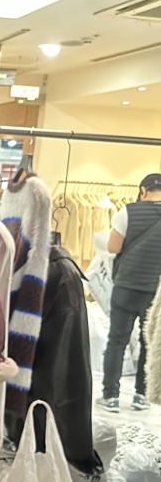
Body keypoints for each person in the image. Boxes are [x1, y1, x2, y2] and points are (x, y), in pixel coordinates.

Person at [98, 173, 161, 413]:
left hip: (126, 286)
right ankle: (141, 396)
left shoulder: (127, 212)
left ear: (143, 190)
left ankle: (111, 396)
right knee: (149, 342)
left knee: (117, 341)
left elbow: (113, 247)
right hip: (155, 292)